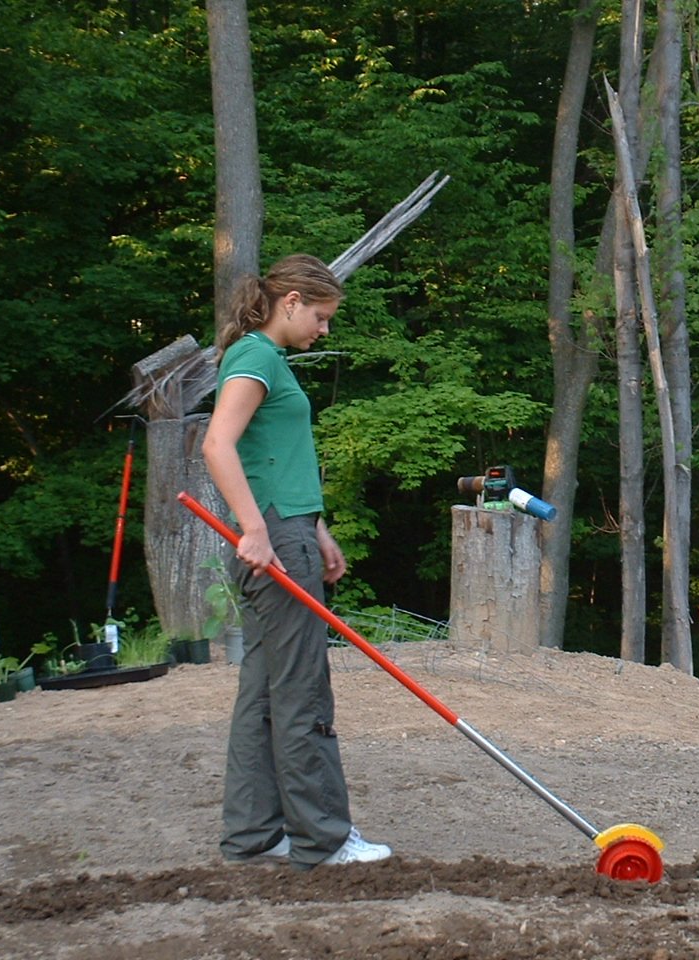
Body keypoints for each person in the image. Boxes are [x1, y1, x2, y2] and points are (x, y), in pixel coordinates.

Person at [201, 253, 391, 869]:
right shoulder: (256, 357)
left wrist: (317, 527)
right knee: (302, 692)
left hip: (288, 529)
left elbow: (272, 456)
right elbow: (217, 444)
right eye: (321, 315)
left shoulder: (267, 360)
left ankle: (254, 836)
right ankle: (324, 839)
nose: (324, 330)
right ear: (289, 302)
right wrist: (256, 529)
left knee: (263, 694)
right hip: (275, 541)